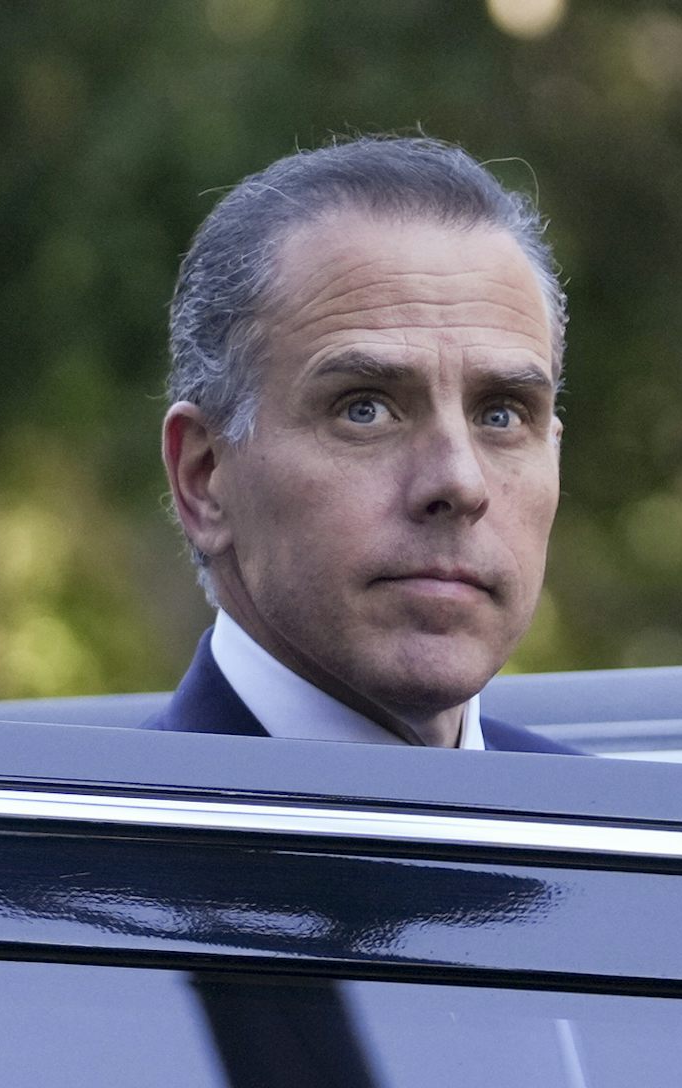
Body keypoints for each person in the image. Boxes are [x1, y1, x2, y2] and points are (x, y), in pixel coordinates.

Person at [148, 136, 576, 753]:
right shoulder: (74, 845)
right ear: (204, 477)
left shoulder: (648, 838)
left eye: (503, 416)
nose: (459, 483)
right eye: (366, 410)